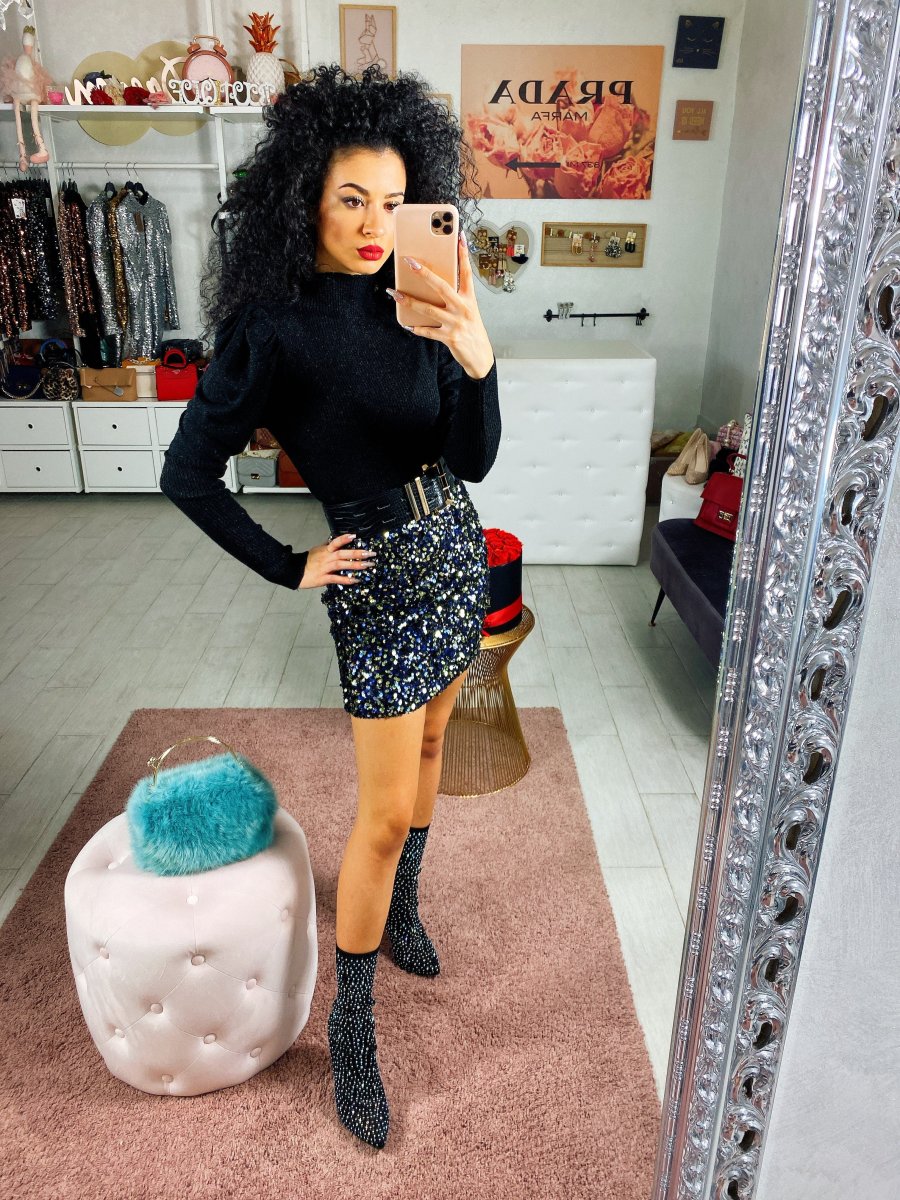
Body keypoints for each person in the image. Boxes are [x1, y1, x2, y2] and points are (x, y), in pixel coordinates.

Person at [158, 61, 501, 1149]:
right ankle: (352, 1026)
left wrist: (477, 357)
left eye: (394, 202)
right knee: (382, 814)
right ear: (304, 192)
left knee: (437, 745)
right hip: (376, 580)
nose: (373, 225)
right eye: (352, 198)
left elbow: (474, 460)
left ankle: (406, 911)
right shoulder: (272, 327)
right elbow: (187, 472)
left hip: (453, 549)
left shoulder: (419, 293)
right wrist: (286, 564)